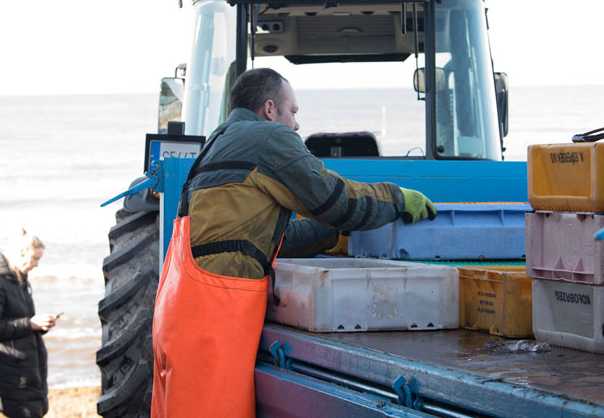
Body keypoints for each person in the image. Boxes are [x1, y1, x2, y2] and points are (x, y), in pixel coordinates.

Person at [151, 67, 437, 418]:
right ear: (270, 109)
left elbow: (250, 239)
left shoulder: (217, 141)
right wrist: (395, 199)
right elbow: (337, 200)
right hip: (213, 321)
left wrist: (332, 235)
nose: (297, 125)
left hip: (176, 313)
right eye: (294, 112)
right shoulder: (270, 138)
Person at [0, 229, 58, 418]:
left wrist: (40, 325)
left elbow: (20, 321)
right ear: (19, 254)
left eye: (39, 260)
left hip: (30, 367)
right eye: (34, 259)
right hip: (13, 371)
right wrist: (30, 324)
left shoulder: (20, 280)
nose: (36, 265)